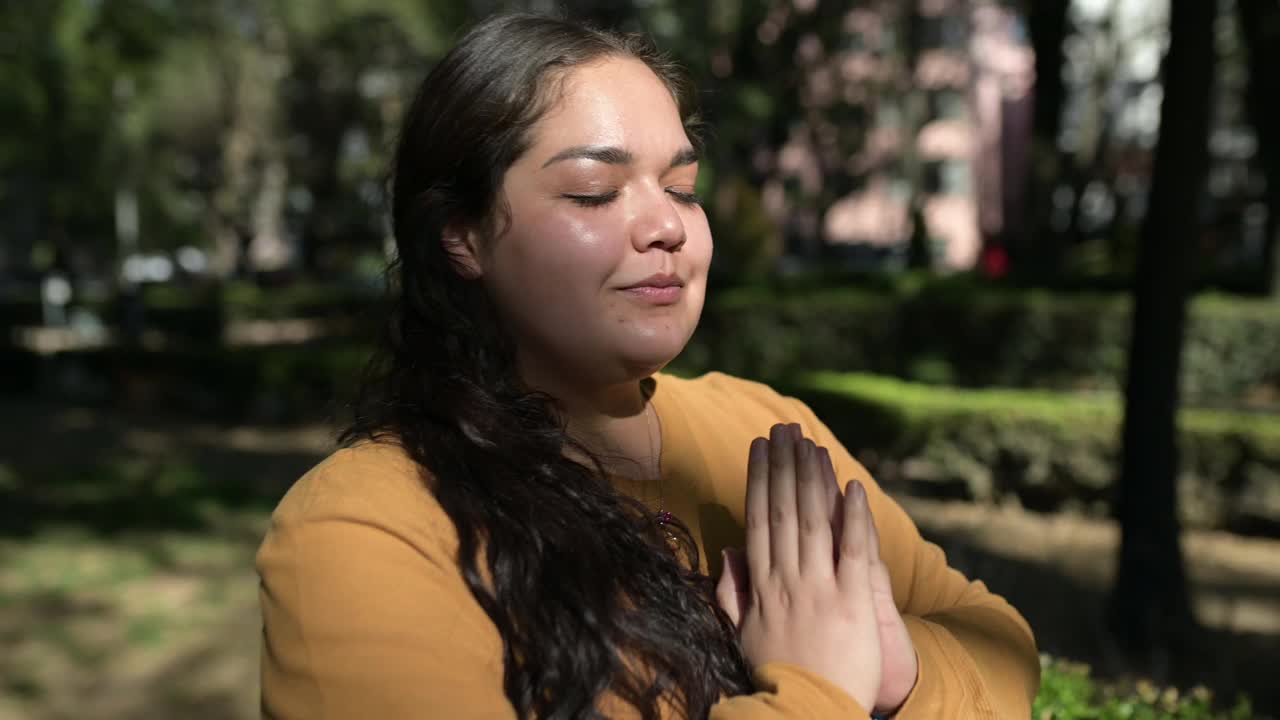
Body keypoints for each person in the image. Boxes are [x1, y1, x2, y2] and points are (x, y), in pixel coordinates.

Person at [256, 13, 1039, 719]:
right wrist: (818, 692)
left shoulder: (767, 431)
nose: (666, 224)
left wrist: (899, 675)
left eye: (681, 187)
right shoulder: (365, 529)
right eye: (595, 191)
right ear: (463, 237)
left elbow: (998, 646)